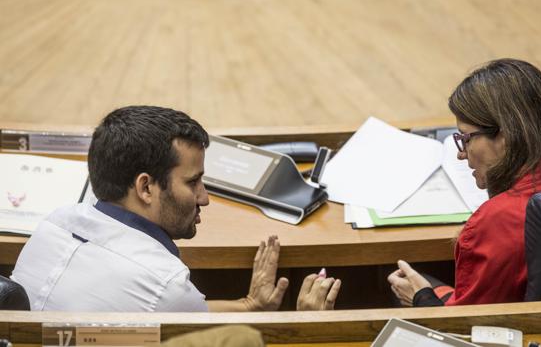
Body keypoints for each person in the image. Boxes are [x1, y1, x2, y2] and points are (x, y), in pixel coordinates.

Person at [11, 106, 341, 312]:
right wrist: (308, 323)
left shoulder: (53, 224)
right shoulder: (164, 284)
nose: (205, 198)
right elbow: (173, 306)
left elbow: (179, 313)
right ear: (145, 187)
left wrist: (250, 304)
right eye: (193, 182)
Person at [387, 59, 541, 307]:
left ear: (507, 137)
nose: (461, 153)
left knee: (395, 282)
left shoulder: (495, 222)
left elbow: (470, 327)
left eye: (465, 138)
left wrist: (423, 300)